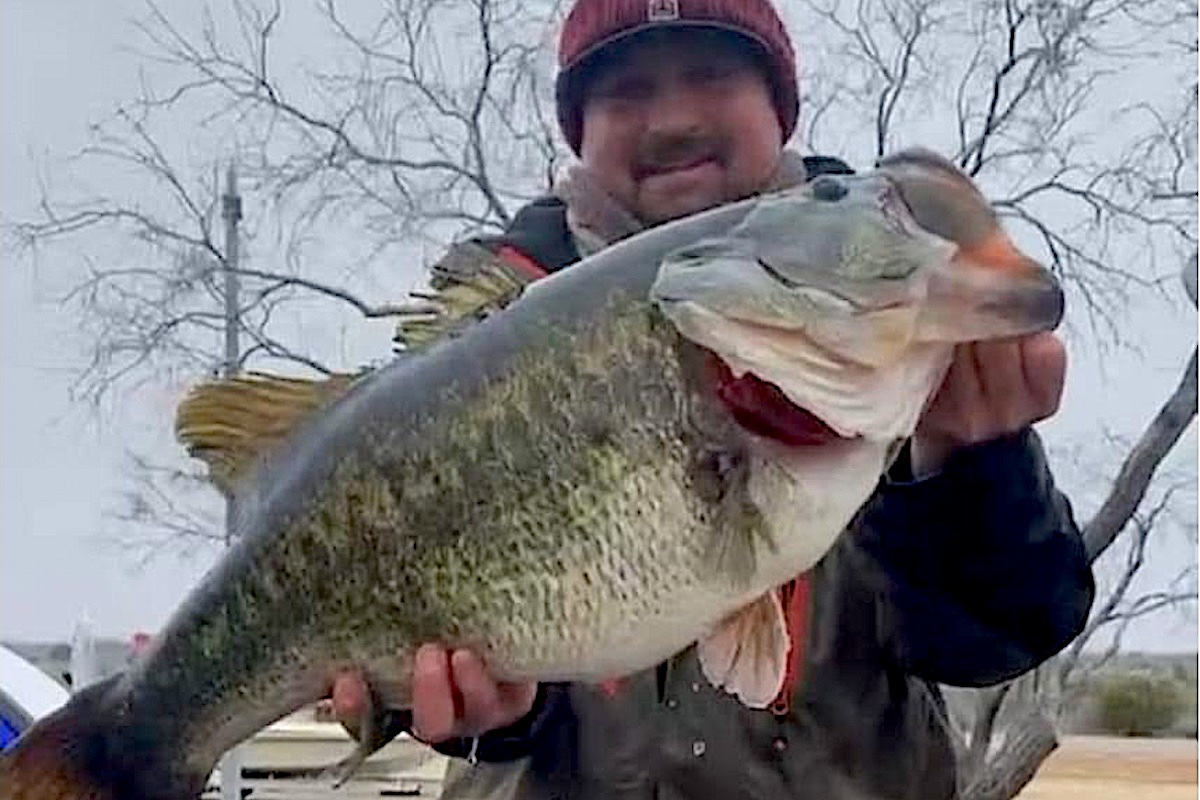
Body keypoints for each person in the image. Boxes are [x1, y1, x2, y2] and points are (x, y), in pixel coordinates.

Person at [332, 1, 1095, 797]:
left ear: (779, 106)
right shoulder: (483, 340)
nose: (671, 120)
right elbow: (474, 663)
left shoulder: (874, 300)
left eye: (712, 75)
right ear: (578, 129)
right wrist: (487, 710)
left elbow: (1002, 633)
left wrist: (966, 475)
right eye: (626, 91)